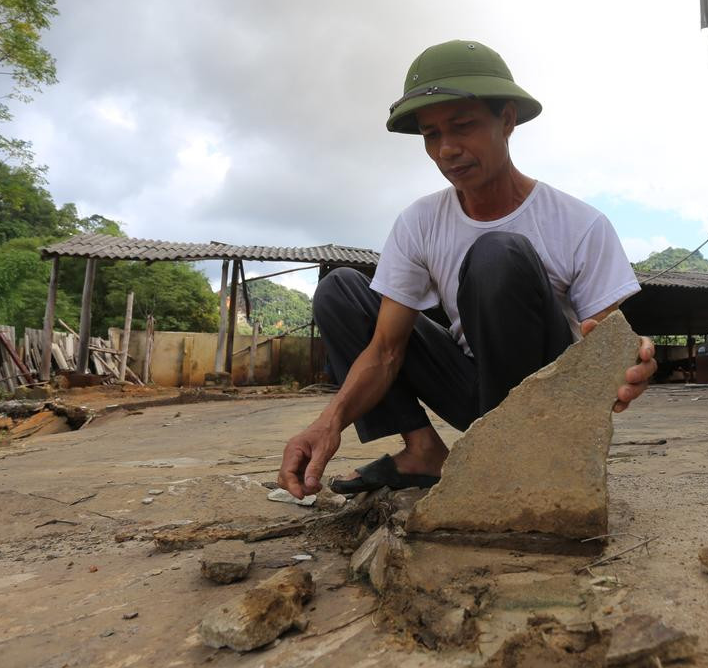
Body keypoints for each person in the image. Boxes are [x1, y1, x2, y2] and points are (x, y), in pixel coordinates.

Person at [278, 40, 656, 499]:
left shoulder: (579, 224)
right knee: (340, 289)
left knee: (497, 253)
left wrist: (627, 367)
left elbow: (611, 344)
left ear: (508, 121)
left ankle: (516, 456)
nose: (447, 149)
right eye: (431, 135)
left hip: (547, 401)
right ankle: (424, 452)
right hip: (473, 392)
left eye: (463, 127)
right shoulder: (420, 223)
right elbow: (385, 351)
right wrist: (329, 421)